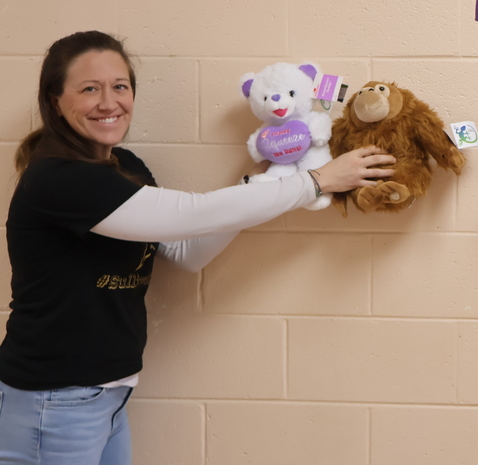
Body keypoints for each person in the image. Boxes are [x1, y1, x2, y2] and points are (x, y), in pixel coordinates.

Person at [0, 31, 396, 465]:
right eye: (89, 89)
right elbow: (192, 214)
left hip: (105, 395)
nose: (109, 102)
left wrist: (262, 182)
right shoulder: (60, 179)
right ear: (55, 101)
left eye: (120, 86)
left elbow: (186, 250)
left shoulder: (124, 167)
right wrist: (315, 181)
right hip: (52, 400)